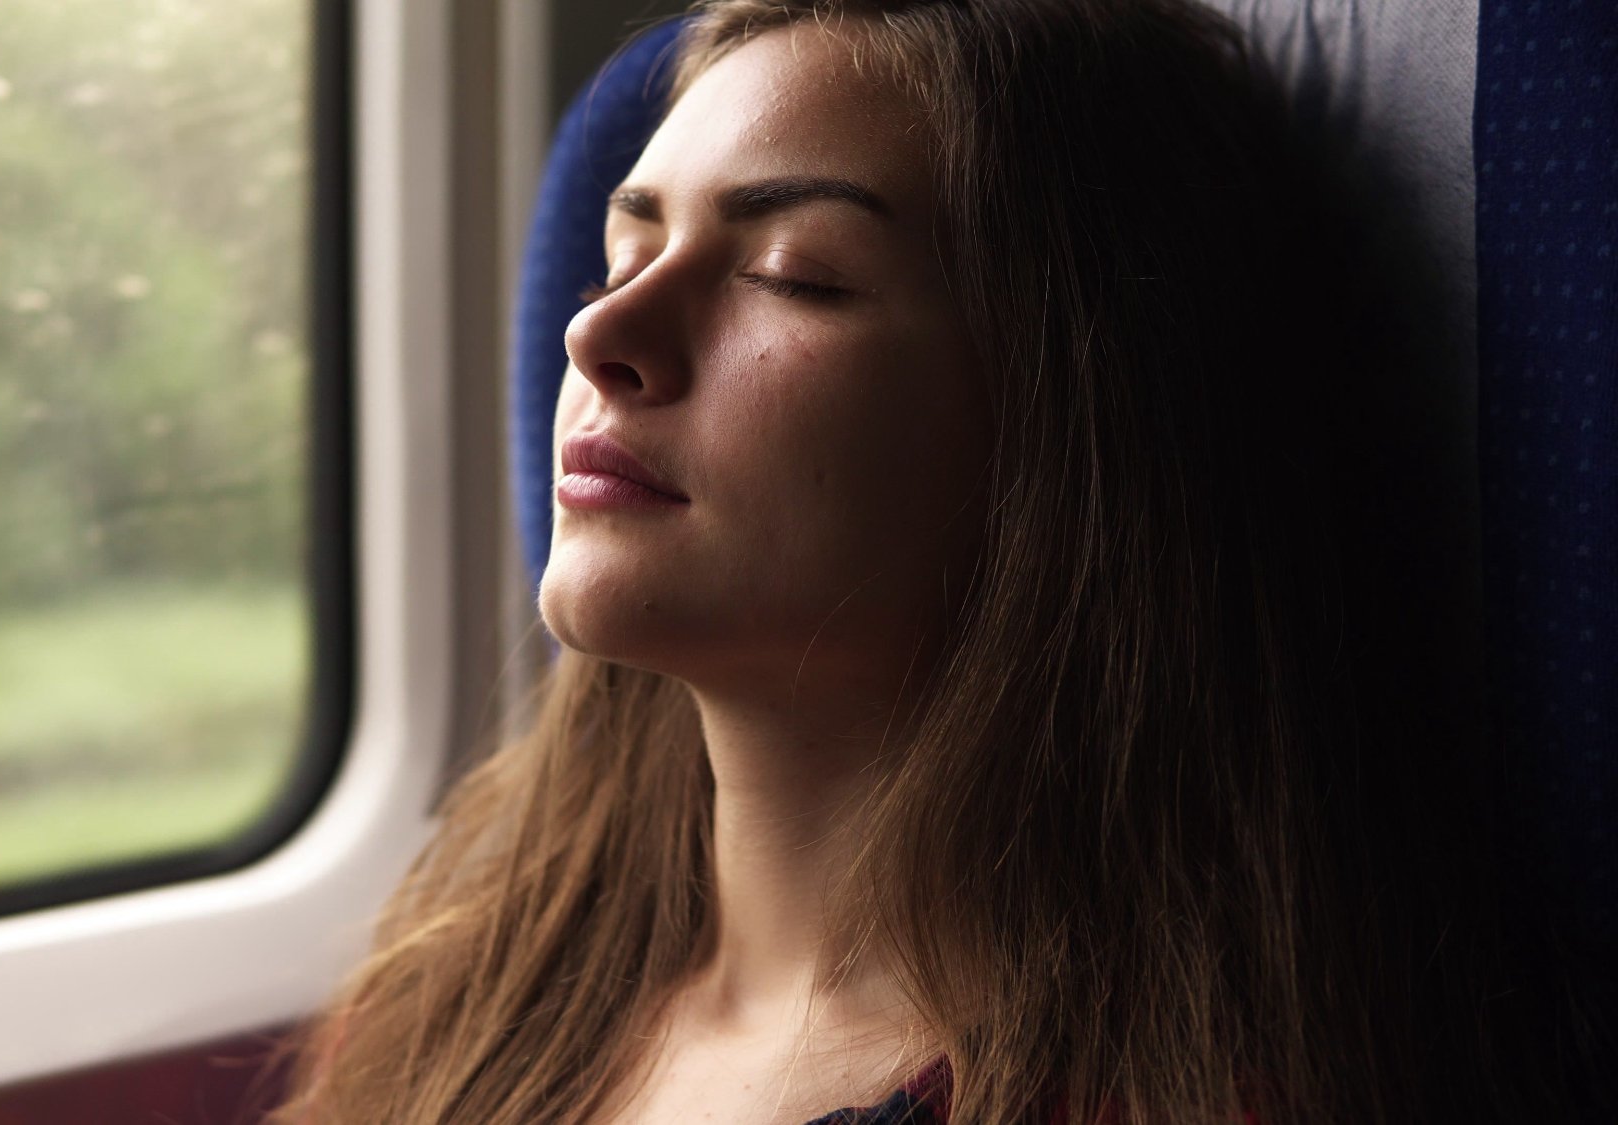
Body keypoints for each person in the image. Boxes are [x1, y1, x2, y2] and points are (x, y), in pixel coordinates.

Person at [270, 1, 1541, 1121]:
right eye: (625, 252)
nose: (601, 332)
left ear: (1069, 437)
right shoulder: (477, 992)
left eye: (791, 276)